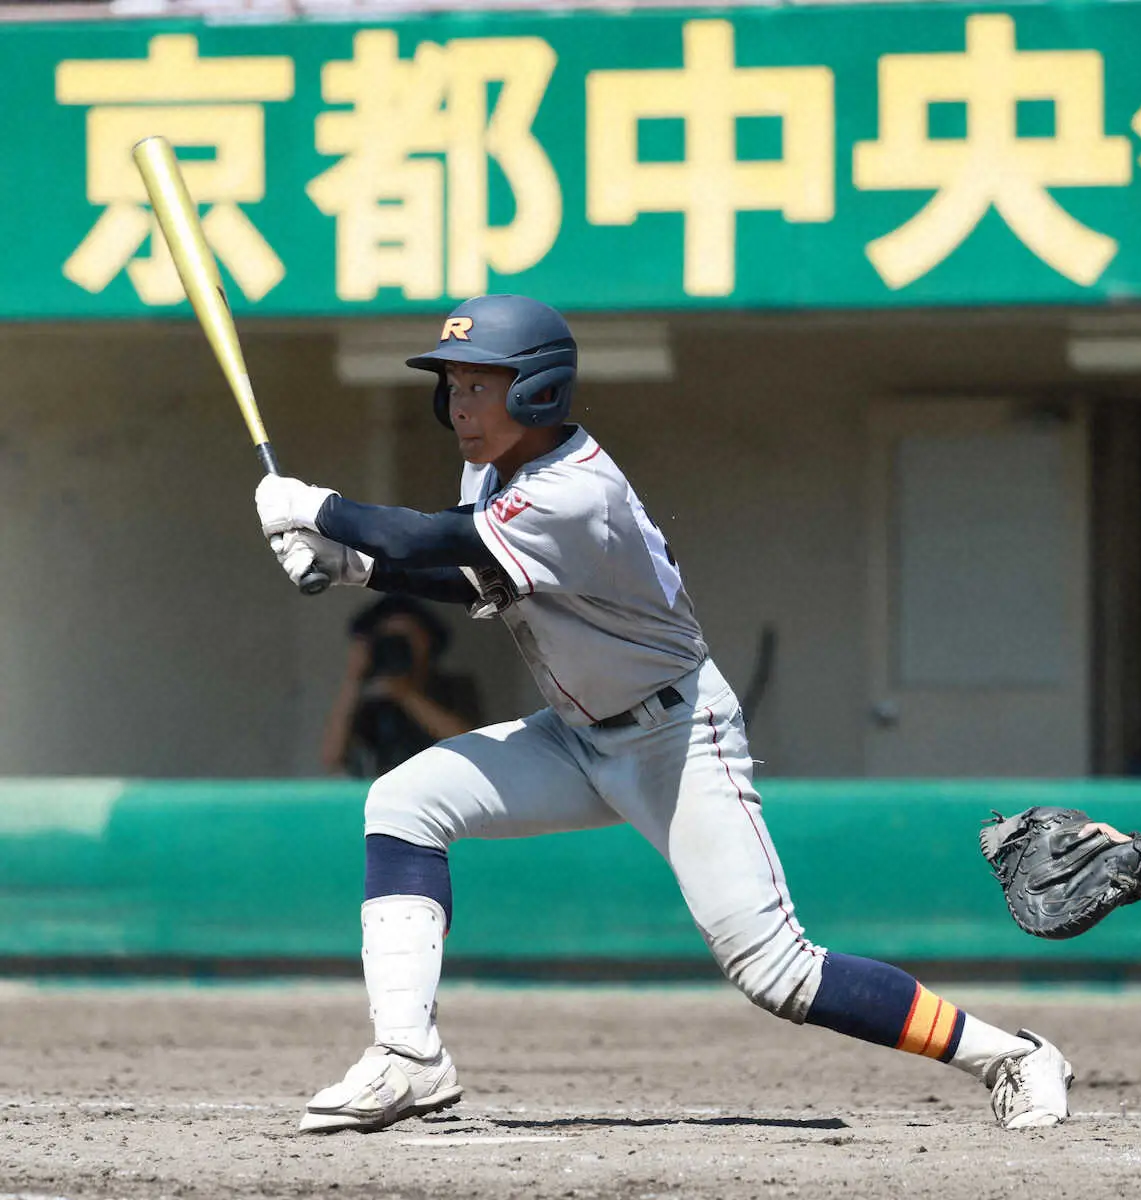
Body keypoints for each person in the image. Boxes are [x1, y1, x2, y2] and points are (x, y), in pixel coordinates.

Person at [254, 294, 1074, 1135]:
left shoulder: (575, 490)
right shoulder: (494, 474)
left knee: (777, 971)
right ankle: (407, 1058)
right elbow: (476, 573)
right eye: (453, 385)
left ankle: (1011, 1055)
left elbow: (442, 541)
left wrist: (317, 510)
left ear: (536, 391)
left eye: (479, 384)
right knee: (402, 802)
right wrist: (353, 566)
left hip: (675, 740)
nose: (459, 404)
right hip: (575, 736)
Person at [322, 596, 482, 778]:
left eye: (406, 639)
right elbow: (331, 757)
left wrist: (407, 695)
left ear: (428, 641)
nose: (397, 648)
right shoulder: (372, 697)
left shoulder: (453, 687)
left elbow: (468, 742)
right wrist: (353, 678)